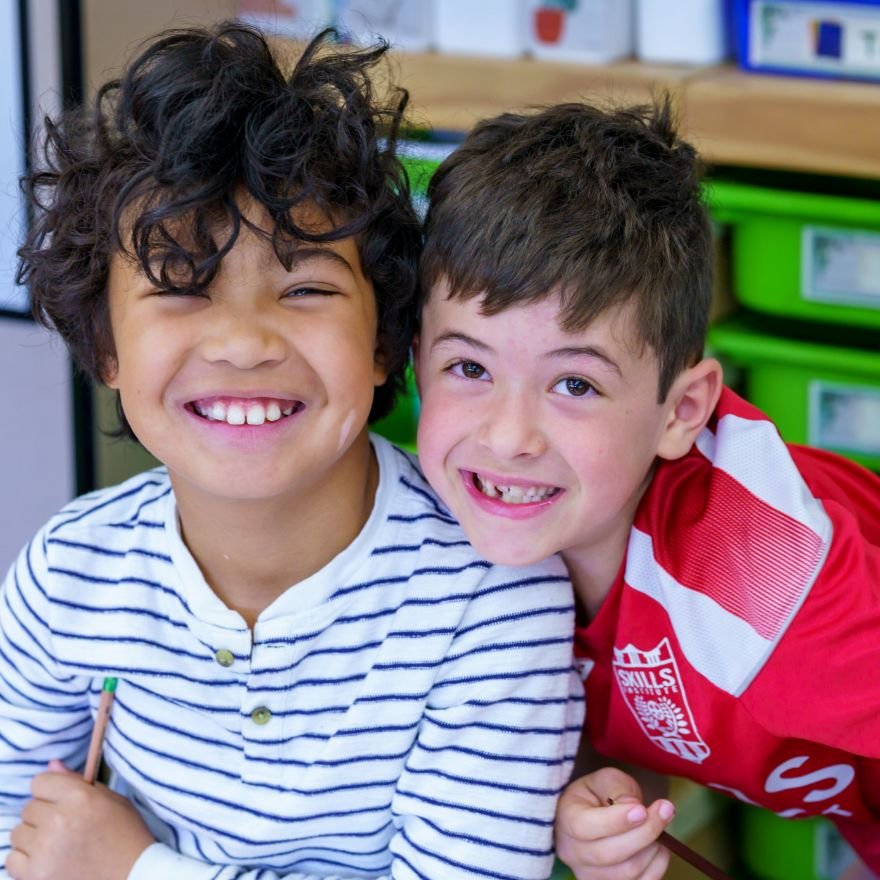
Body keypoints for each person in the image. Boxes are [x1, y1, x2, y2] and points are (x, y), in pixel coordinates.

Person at [1, 22, 584, 880]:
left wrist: (135, 869)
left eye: (305, 287)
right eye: (181, 289)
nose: (243, 344)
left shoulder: (490, 596)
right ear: (105, 344)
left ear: (387, 340)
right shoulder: (69, 573)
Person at [413, 96, 880, 879]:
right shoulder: (474, 533)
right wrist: (597, 803)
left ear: (681, 412)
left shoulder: (759, 582)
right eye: (469, 368)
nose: (506, 437)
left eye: (575, 385)